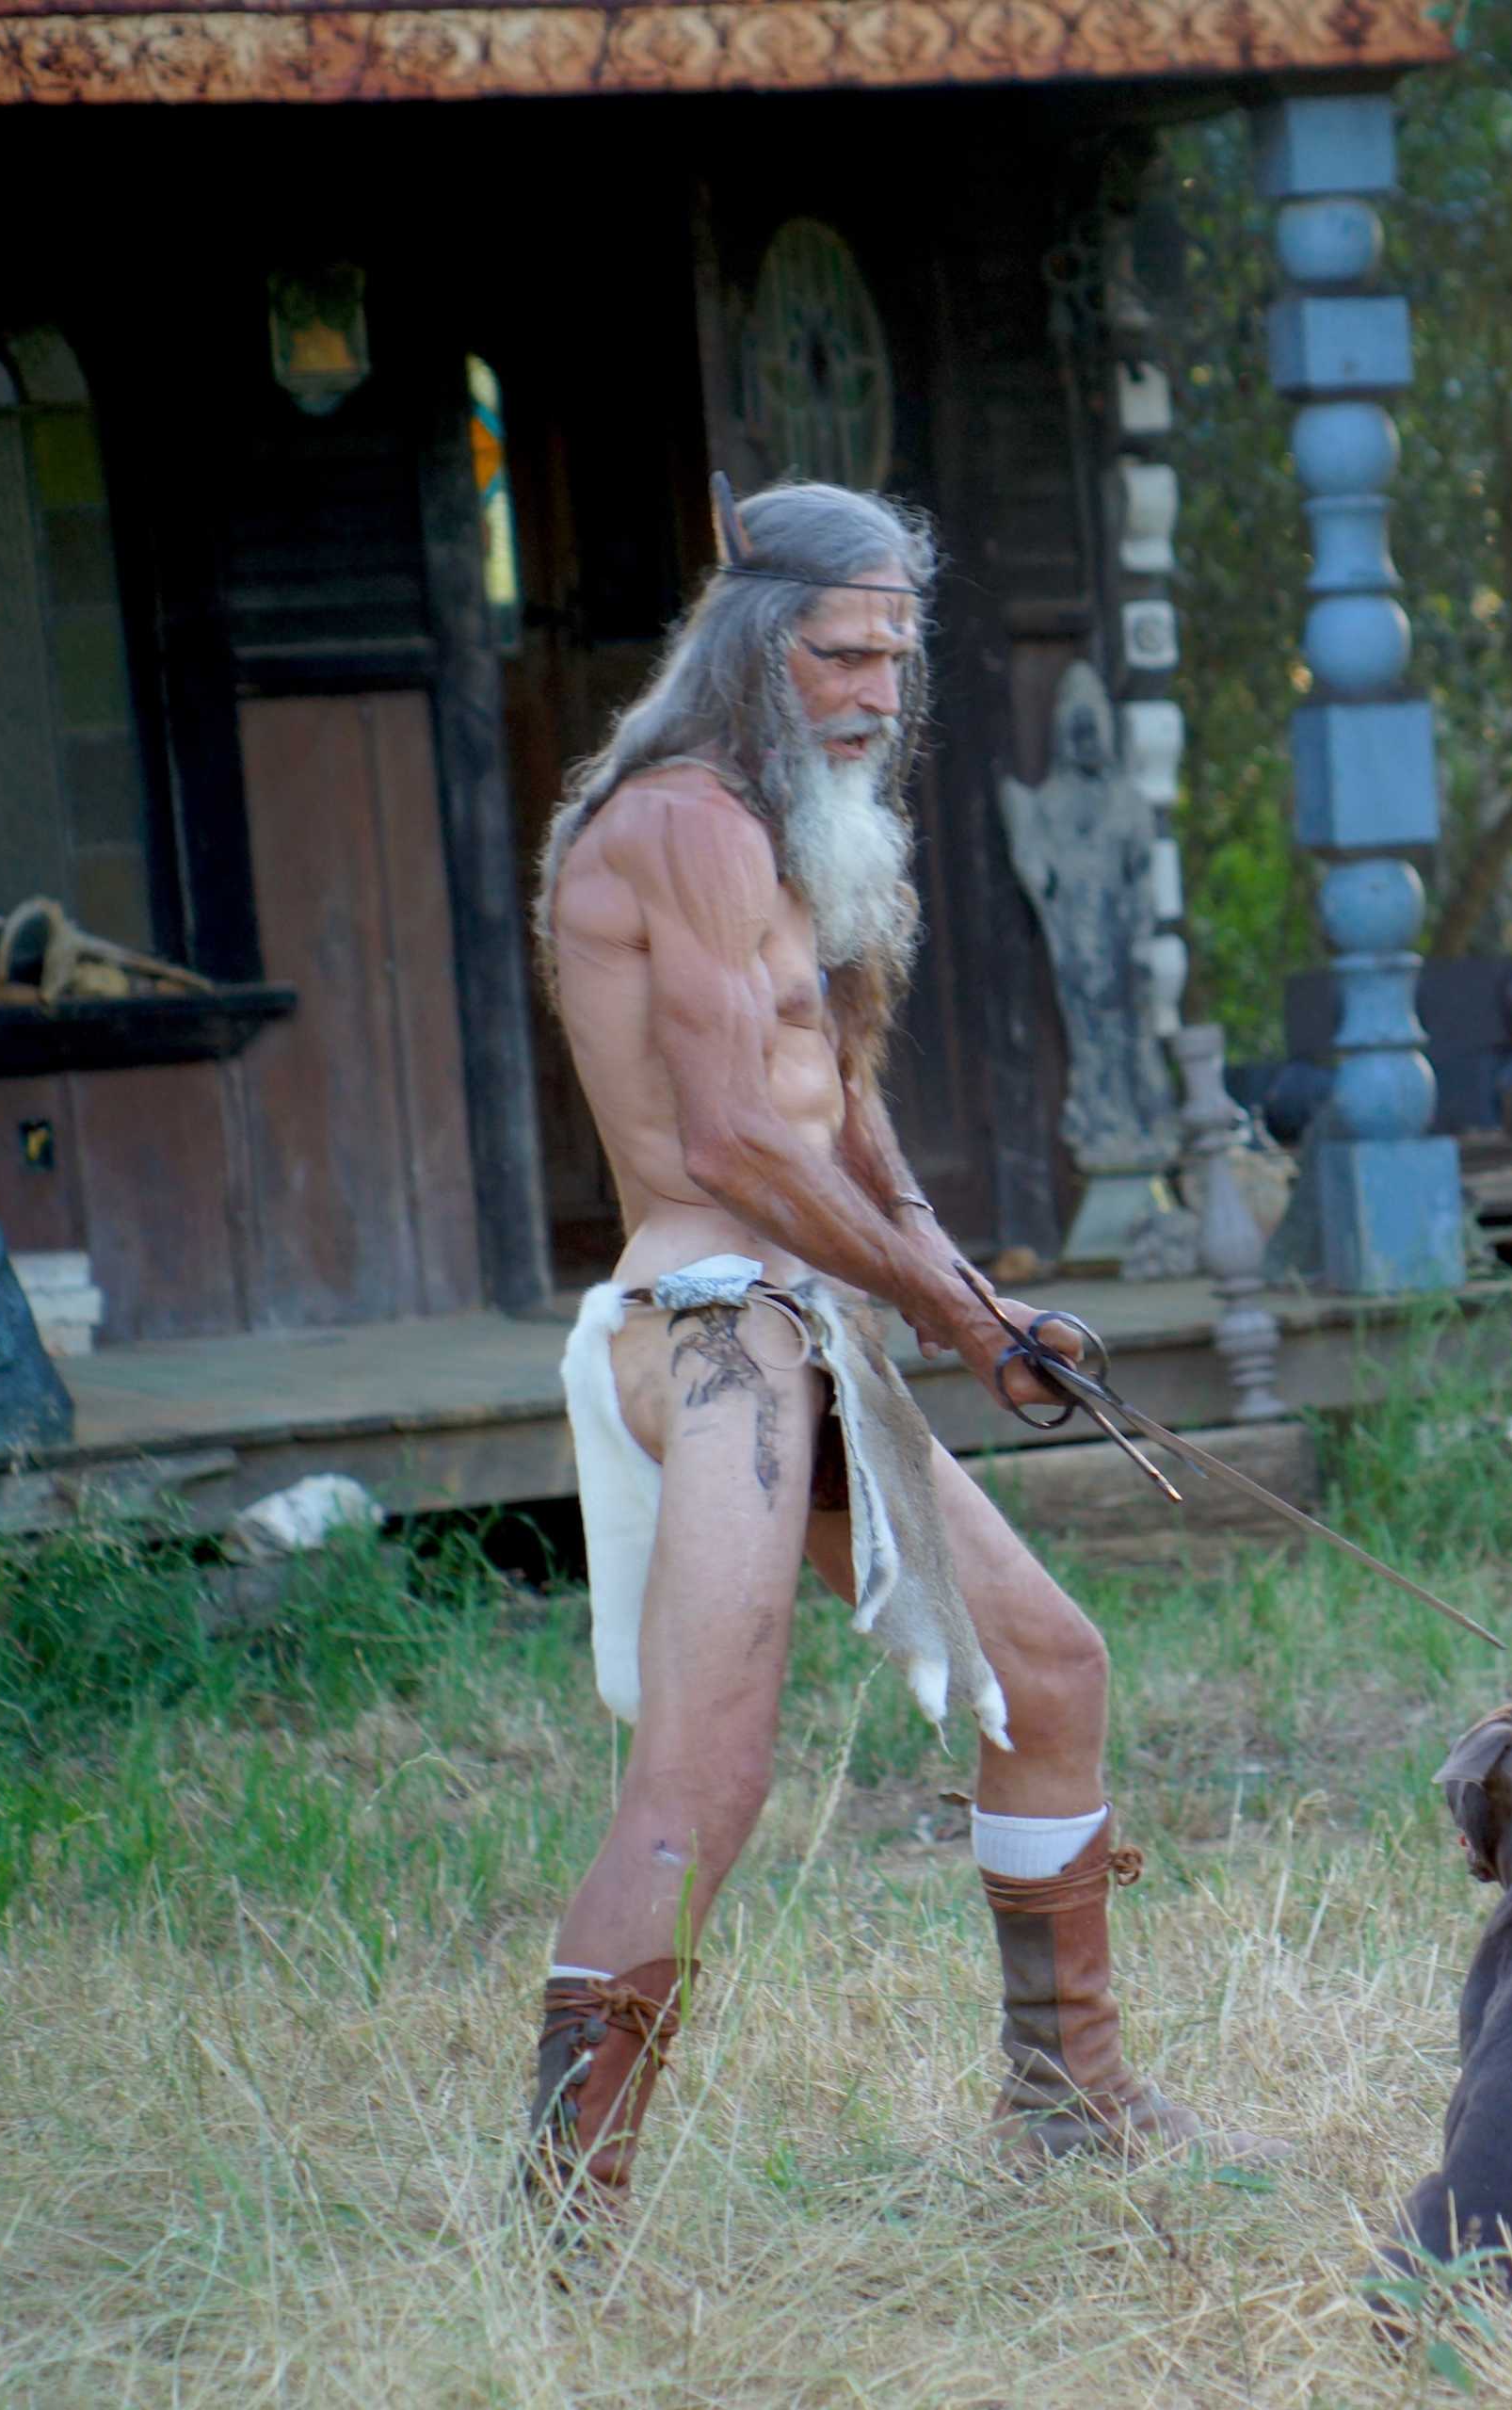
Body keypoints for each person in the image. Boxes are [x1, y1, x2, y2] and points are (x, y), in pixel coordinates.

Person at [521, 478, 1277, 2226]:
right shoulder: (684, 825)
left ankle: (1068, 2110)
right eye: (839, 654)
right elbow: (730, 1142)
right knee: (706, 1776)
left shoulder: (799, 836)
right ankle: (570, 2219)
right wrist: (943, 1309)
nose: (874, 691)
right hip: (716, 1326)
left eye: (894, 657)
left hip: (812, 1336)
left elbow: (843, 1129)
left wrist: (979, 1302)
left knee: (1053, 1677)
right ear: (749, 643)